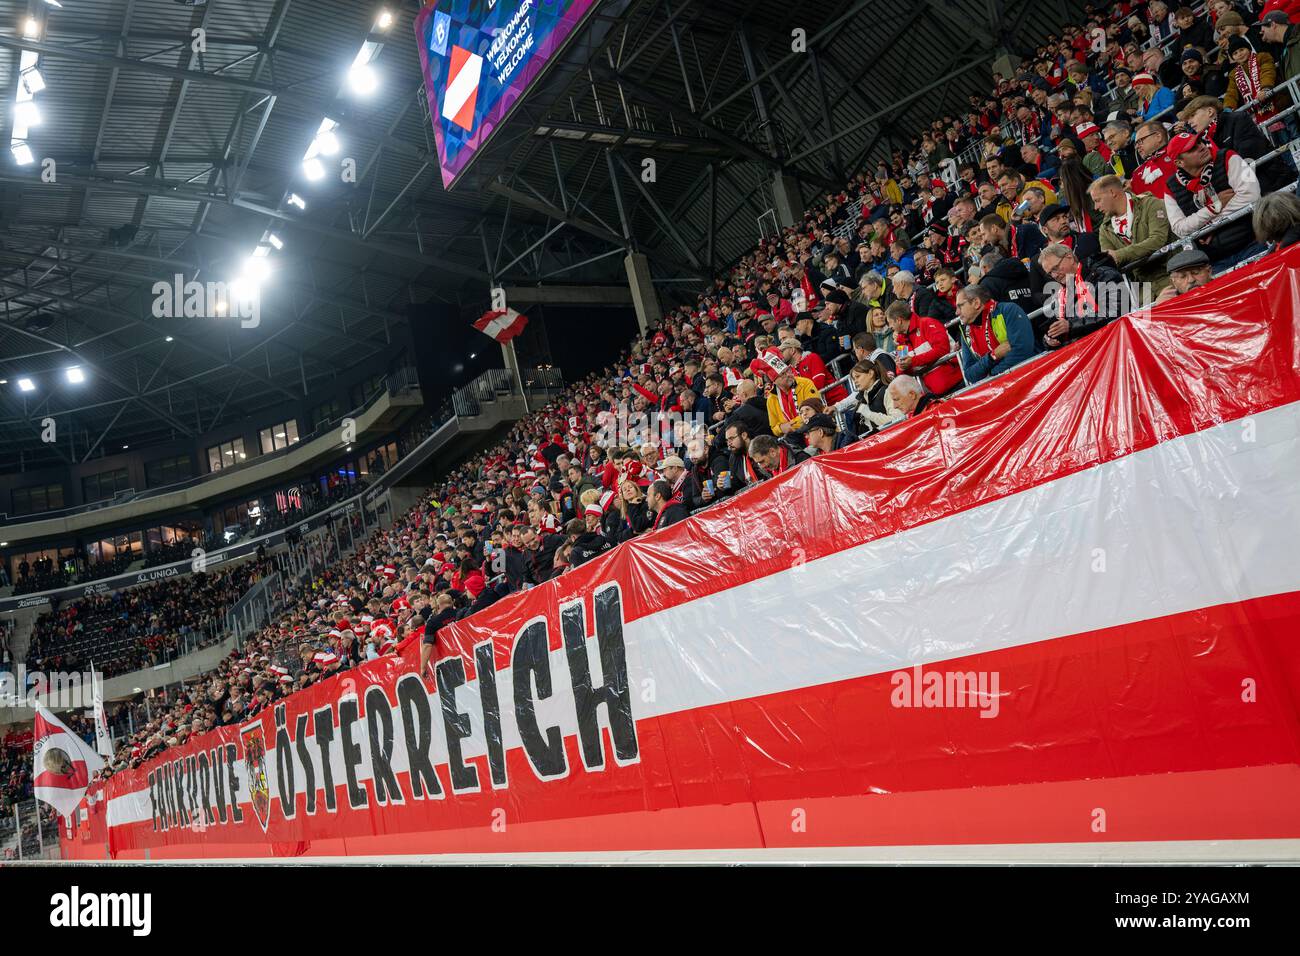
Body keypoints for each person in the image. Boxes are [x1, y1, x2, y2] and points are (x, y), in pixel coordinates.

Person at [1162, 131, 1262, 266]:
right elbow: (1180, 228)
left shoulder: (1228, 157)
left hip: (1253, 243)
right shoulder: (1171, 187)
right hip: (1215, 261)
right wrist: (1214, 208)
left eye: (1199, 142)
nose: (1202, 147)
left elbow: (1251, 196)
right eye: (1192, 149)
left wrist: (1211, 224)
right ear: (1179, 162)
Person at [1089, 174, 1173, 298]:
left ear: (1112, 192)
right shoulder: (1105, 229)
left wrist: (1119, 255)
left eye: (1097, 200)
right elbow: (1110, 261)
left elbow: (1157, 240)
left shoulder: (1150, 204)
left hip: (1170, 275)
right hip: (1141, 290)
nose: (1096, 207)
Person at [1036, 243, 1127, 350]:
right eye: (1050, 273)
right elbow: (1060, 327)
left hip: (1115, 347)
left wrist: (1071, 326)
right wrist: (1049, 339)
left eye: (1055, 268)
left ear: (1069, 257)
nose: (1054, 275)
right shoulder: (1061, 295)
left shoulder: (1103, 274)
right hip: (1086, 355)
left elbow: (1117, 311)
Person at [954, 284, 1037, 383]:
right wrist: (992, 356)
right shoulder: (965, 333)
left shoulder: (1008, 310)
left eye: (960, 306)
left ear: (976, 303)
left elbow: (1022, 352)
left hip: (1028, 377)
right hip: (999, 387)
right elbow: (970, 375)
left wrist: (991, 375)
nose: (957, 312)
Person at [884, 301, 963, 397]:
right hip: (933, 395)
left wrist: (913, 361)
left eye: (890, 322)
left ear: (899, 320)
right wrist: (902, 367)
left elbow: (942, 349)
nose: (890, 327)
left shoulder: (927, 323)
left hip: (957, 385)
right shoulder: (901, 342)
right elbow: (901, 372)